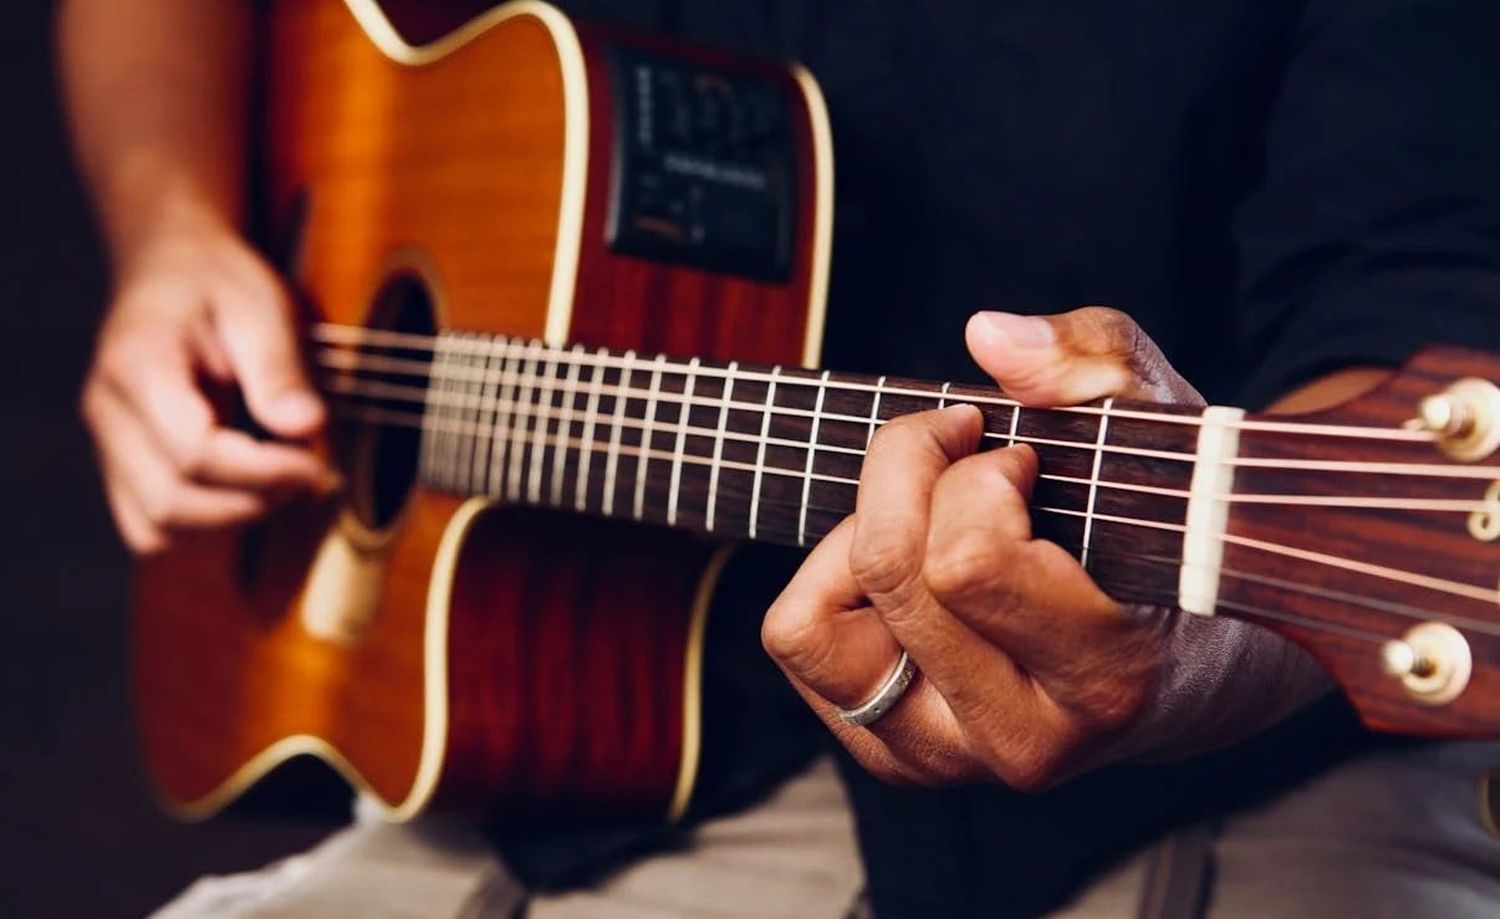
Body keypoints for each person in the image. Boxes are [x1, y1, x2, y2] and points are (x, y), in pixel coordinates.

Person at [60, 0, 1500, 916]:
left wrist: (1194, 655)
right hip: (545, 765)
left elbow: (1421, 323)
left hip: (1224, 779)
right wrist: (170, 228)